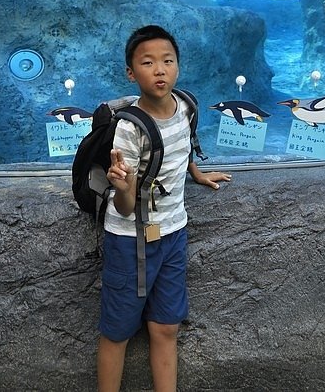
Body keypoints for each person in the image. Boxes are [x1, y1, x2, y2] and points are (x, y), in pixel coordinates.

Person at [97, 24, 231, 392]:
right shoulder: (129, 128)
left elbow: (181, 146)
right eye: (148, 62)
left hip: (173, 233)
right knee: (118, 330)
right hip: (131, 241)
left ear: (178, 65)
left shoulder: (186, 105)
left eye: (167, 61)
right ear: (131, 72)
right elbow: (124, 208)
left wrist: (198, 173)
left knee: (166, 325)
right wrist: (122, 187)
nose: (160, 70)